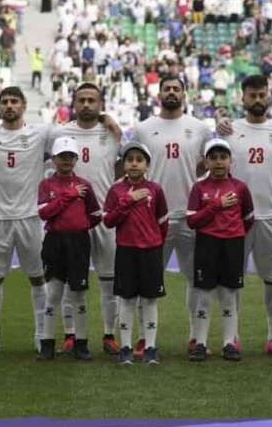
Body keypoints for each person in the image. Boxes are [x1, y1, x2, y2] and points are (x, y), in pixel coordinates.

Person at [0, 87, 53, 354]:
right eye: (4, 101)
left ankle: (41, 335)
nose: (9, 105)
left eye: (14, 101)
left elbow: (74, 131)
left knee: (38, 278)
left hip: (30, 216)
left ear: (24, 105)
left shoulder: (39, 133)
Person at [129, 76, 207, 358]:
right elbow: (132, 166)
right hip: (152, 218)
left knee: (196, 280)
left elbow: (205, 164)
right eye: (167, 88)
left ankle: (196, 337)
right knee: (147, 280)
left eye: (176, 88)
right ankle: (143, 338)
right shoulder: (144, 128)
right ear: (159, 93)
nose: (171, 92)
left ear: (184, 94)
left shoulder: (199, 128)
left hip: (190, 216)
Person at [223, 74, 272, 357]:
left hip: (271, 217)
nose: (257, 99)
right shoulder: (229, 130)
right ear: (242, 98)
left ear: (269, 95)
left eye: (261, 94)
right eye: (251, 95)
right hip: (235, 220)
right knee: (233, 281)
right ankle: (233, 337)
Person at [47, 83, 123, 355]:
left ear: (101, 104)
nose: (87, 104)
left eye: (93, 100)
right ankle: (70, 334)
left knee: (109, 279)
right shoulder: (60, 133)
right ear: (74, 104)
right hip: (70, 221)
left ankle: (109, 334)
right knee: (70, 281)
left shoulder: (113, 132)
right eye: (82, 100)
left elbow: (125, 165)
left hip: (104, 217)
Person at [185, 138, 254, 362]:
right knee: (204, 296)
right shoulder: (199, 188)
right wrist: (216, 206)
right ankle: (200, 343)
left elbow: (248, 218)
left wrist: (232, 232)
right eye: (213, 158)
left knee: (228, 295)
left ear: (230, 160)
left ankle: (229, 343)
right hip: (207, 244)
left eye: (223, 157)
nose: (218, 162)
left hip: (232, 245)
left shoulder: (240, 188)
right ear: (205, 162)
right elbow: (192, 221)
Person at [103, 141, 169, 366]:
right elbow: (108, 220)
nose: (134, 164)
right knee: (127, 299)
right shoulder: (116, 190)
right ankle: (125, 348)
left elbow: (162, 222)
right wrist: (127, 201)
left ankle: (150, 347)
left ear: (147, 165)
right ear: (123, 165)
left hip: (150, 251)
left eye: (139, 160)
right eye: (129, 160)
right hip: (126, 250)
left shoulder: (156, 189)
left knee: (150, 300)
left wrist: (155, 242)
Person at [37, 136, 102, 360]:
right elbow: (44, 213)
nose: (66, 160)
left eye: (70, 156)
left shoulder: (85, 185)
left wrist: (79, 227)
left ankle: (81, 344)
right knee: (53, 293)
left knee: (79, 294)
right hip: (54, 241)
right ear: (53, 159)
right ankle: (46, 343)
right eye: (61, 156)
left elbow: (95, 215)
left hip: (78, 243)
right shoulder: (46, 185)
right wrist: (67, 197)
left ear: (76, 159)